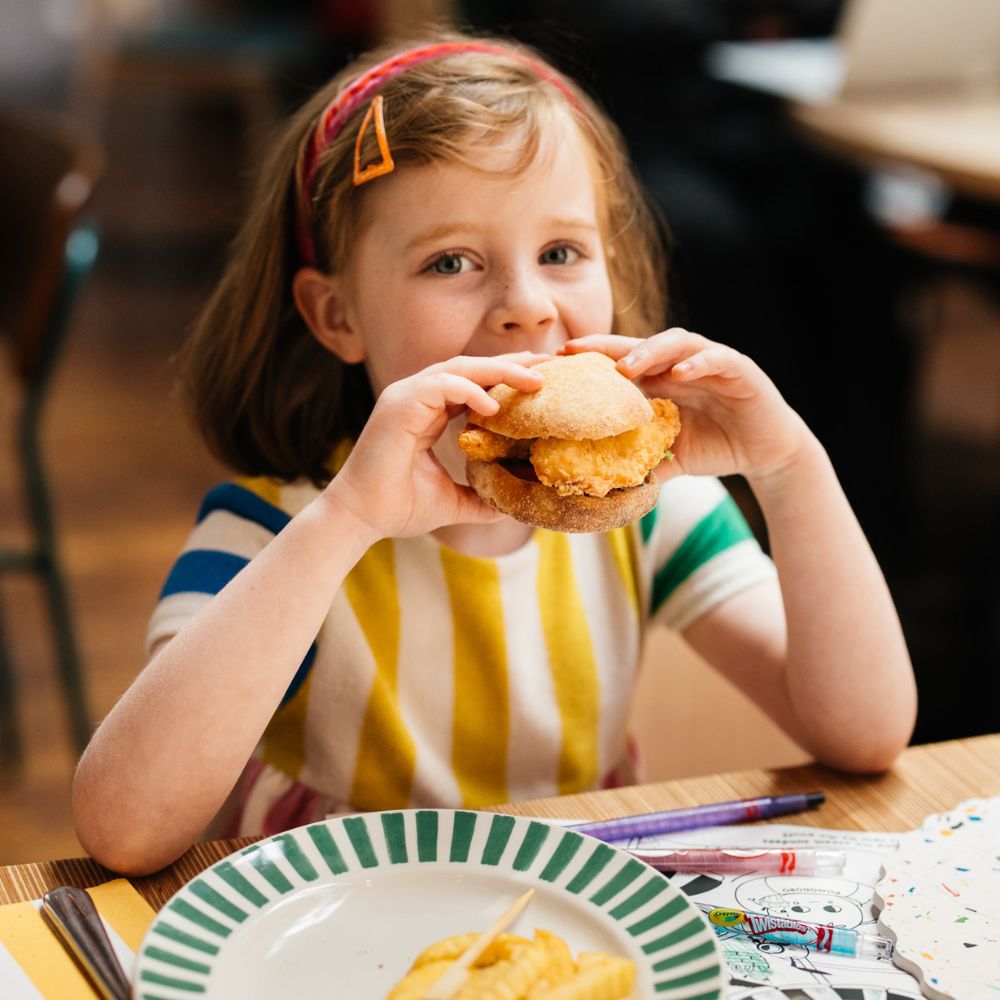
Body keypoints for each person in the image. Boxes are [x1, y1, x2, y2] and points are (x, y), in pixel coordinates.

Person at [72, 32, 917, 875]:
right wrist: (346, 521)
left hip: (570, 904)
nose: (527, 307)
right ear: (338, 317)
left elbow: (866, 732)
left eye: (561, 253)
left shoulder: (650, 506)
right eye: (451, 261)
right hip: (332, 915)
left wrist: (790, 467)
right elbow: (125, 829)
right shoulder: (276, 526)